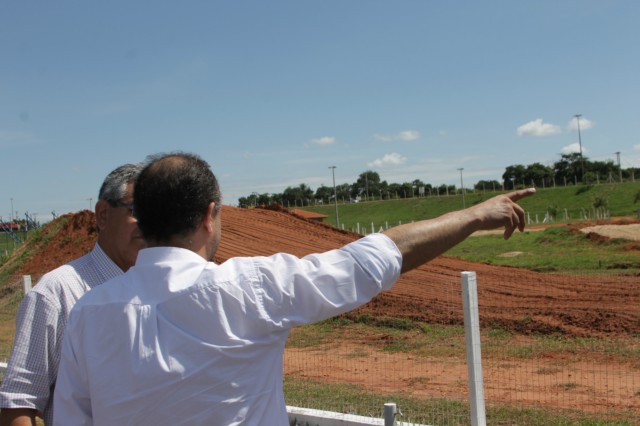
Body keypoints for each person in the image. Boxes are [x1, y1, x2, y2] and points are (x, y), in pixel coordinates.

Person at [53, 152, 535, 426]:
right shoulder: (249, 287)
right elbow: (370, 261)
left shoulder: (87, 313)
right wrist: (472, 216)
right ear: (209, 216)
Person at [0, 163, 146, 426]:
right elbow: (19, 404)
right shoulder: (56, 293)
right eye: (138, 211)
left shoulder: (160, 291)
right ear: (102, 214)